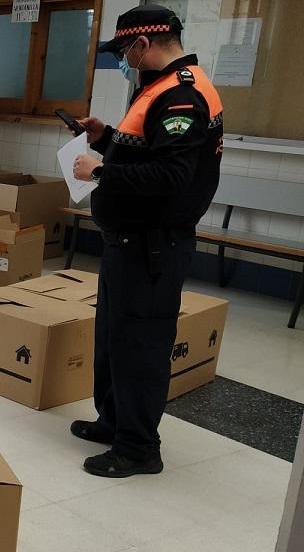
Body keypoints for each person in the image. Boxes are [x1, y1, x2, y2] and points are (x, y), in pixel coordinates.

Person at [69, 4, 223, 477]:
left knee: (142, 346)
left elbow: (171, 175)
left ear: (144, 44)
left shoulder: (183, 97)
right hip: (129, 243)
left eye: (125, 50)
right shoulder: (157, 89)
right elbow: (147, 151)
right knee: (116, 339)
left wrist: (101, 170)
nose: (123, 59)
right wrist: (105, 139)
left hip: (154, 246)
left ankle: (138, 448)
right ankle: (114, 422)